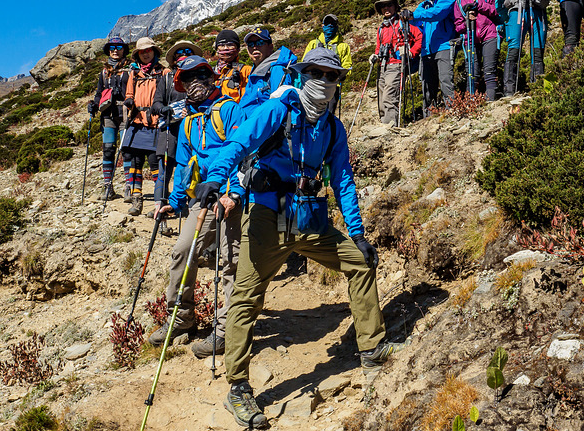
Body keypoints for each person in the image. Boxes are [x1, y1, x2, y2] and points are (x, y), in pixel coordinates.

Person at [194, 48, 407, 430]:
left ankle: (372, 349)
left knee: (360, 263)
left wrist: (357, 234)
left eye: (332, 76)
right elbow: (240, 142)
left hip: (309, 219)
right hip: (266, 217)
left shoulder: (333, 128)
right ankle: (238, 387)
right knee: (246, 296)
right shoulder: (280, 110)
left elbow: (342, 180)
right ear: (301, 73)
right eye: (316, 73)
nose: (324, 83)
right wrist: (214, 176)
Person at [150, 56, 244, 358]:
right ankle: (182, 317)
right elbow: (183, 167)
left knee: (229, 262)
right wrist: (175, 203)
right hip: (200, 199)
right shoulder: (189, 122)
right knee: (182, 251)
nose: (196, 82)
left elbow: (244, 152)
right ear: (182, 86)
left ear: (212, 78)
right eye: (188, 79)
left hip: (230, 196)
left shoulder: (228, 110)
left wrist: (234, 192)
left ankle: (226, 329)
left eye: (202, 75)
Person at [149, 40, 204, 228]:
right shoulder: (166, 79)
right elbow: (155, 104)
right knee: (164, 173)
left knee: (190, 170)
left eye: (188, 52)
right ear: (173, 59)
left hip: (193, 131)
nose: (183, 55)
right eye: (179, 53)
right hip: (170, 132)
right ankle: (161, 214)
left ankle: (190, 212)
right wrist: (164, 109)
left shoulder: (201, 77)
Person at [123, 37, 168, 216]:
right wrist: (129, 100)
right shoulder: (134, 74)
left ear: (155, 52)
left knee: (155, 162)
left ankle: (159, 202)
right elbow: (129, 93)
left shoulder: (164, 73)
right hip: (137, 121)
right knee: (135, 161)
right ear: (138, 55)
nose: (146, 54)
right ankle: (136, 199)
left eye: (149, 50)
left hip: (156, 122)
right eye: (142, 52)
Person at [401, 0, 457, 110]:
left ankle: (453, 111)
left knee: (446, 81)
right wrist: (405, 17)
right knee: (427, 85)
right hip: (426, 51)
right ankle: (429, 117)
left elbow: (437, 13)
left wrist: (413, 16)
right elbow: (415, 20)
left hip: (444, 46)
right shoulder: (422, 5)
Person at [88, 37, 131, 202]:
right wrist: (94, 104)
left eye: (119, 47)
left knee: (126, 150)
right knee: (108, 150)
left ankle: (129, 187)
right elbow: (99, 93)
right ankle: (108, 186)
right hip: (108, 114)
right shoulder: (104, 72)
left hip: (126, 113)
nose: (115, 50)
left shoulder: (130, 69)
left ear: (123, 50)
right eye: (112, 47)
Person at [369, 0, 422, 124]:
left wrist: (411, 52)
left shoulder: (404, 23)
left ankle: (390, 127)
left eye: (389, 5)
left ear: (395, 6)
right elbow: (379, 46)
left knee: (389, 97)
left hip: (397, 65)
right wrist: (375, 55)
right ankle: (384, 124)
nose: (386, 8)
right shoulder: (381, 28)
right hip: (382, 66)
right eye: (383, 6)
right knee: (381, 99)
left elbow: (419, 37)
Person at [450, 0, 500, 101]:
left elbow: (496, 11)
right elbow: (457, 26)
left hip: (489, 35)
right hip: (470, 39)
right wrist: (466, 20)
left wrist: (480, 6)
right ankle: (471, 104)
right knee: (472, 73)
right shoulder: (458, 2)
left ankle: (491, 102)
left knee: (490, 70)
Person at [237, 28, 298, 114]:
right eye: (250, 44)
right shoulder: (254, 71)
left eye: (260, 43)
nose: (255, 47)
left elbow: (278, 106)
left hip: (260, 124)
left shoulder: (277, 69)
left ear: (270, 47)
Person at [304, 14, 352, 113]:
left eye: (332, 23)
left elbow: (347, 66)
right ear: (322, 26)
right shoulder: (313, 44)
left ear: (336, 26)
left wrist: (341, 76)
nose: (330, 26)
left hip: (333, 86)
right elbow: (305, 63)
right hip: (314, 84)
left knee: (329, 113)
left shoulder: (343, 46)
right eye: (327, 23)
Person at [214, 29, 251, 102]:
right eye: (221, 45)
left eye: (230, 45)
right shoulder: (210, 73)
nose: (225, 48)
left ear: (238, 50)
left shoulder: (246, 71)